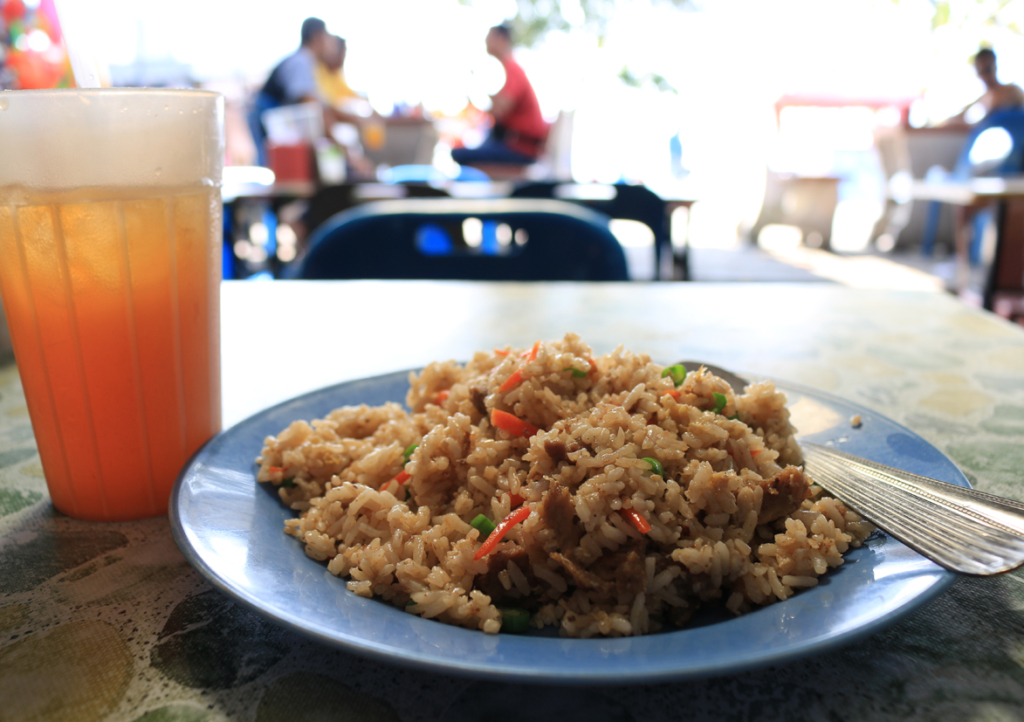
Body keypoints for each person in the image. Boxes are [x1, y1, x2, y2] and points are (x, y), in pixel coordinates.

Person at [248, 18, 363, 167]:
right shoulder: (301, 62)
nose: (330, 44)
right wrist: (345, 151)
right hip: (263, 122)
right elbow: (313, 108)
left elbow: (322, 106)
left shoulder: (310, 64)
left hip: (271, 123)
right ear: (316, 36)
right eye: (327, 37)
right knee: (268, 167)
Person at [452, 24, 549, 168]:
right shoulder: (507, 69)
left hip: (521, 148)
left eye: (489, 37)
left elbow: (499, 111)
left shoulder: (512, 69)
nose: (486, 41)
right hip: (515, 144)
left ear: (501, 39)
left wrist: (475, 87)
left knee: (458, 154)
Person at [945, 48, 1024, 127]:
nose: (986, 76)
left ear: (995, 66)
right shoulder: (982, 99)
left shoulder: (1012, 90)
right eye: (981, 72)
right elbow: (957, 118)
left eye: (988, 70)